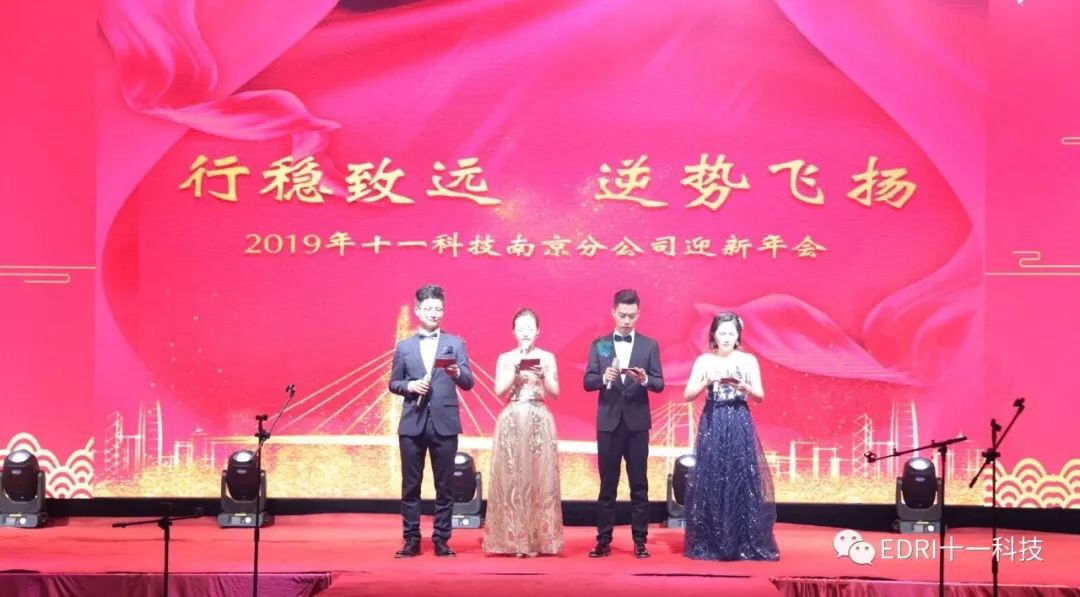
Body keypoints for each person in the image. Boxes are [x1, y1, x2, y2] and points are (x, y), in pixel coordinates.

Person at [682, 311, 779, 561]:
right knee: (712, 475)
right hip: (713, 419)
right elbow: (688, 395)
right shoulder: (704, 360)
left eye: (731, 333)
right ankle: (712, 540)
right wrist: (706, 381)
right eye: (722, 333)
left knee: (741, 475)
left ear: (738, 336)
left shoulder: (748, 360)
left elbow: (760, 396)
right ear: (713, 335)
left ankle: (741, 539)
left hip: (738, 419)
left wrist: (745, 387)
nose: (726, 337)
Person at [388, 284, 474, 558]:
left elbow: (469, 382)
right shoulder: (404, 347)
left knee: (445, 486)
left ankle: (441, 539)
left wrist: (457, 371)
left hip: (444, 422)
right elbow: (393, 383)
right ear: (417, 310)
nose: (434, 313)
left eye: (438, 309)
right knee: (410, 486)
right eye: (428, 308)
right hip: (412, 422)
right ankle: (411, 539)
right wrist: (410, 386)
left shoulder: (455, 343)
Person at [583, 289, 664, 558]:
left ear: (638, 314)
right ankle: (603, 540)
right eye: (622, 315)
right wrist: (602, 377)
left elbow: (659, 383)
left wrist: (644, 379)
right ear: (613, 313)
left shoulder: (649, 345)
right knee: (608, 485)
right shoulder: (601, 344)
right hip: (608, 422)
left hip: (637, 423)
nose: (627, 320)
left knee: (639, 485)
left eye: (631, 316)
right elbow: (588, 381)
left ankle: (640, 541)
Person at [483, 308, 564, 557]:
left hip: (539, 418)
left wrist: (543, 376)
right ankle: (514, 540)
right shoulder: (505, 358)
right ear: (514, 332)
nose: (525, 332)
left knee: (538, 478)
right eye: (521, 328)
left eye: (530, 328)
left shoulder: (547, 357)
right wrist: (515, 373)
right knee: (513, 478)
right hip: (512, 418)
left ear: (538, 331)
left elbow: (555, 392)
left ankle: (538, 540)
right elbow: (499, 391)